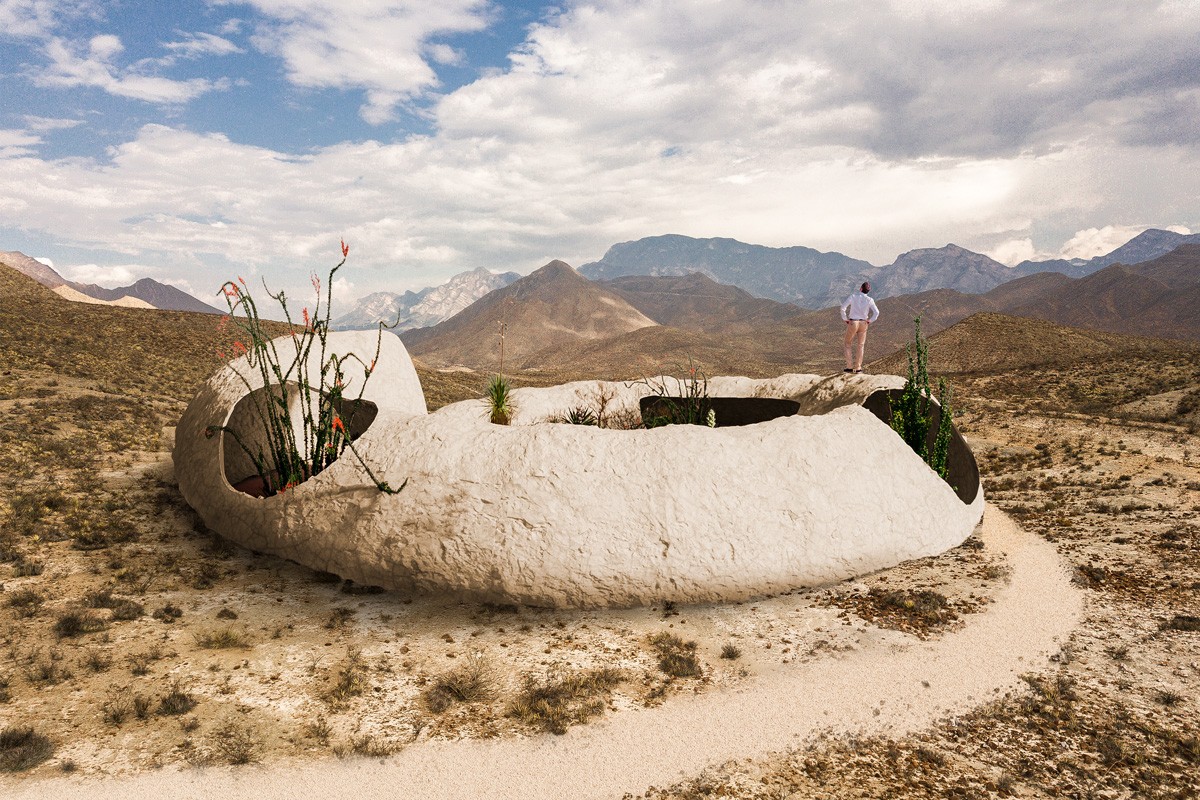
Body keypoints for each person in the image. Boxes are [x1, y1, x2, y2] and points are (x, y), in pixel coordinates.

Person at [840, 281, 879, 374]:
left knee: (847, 344)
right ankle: (858, 368)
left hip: (853, 322)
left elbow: (842, 308)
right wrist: (870, 320)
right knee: (860, 345)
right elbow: (876, 312)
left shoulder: (853, 297)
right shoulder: (870, 300)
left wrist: (845, 319)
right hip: (863, 323)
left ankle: (849, 367)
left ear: (860, 289)